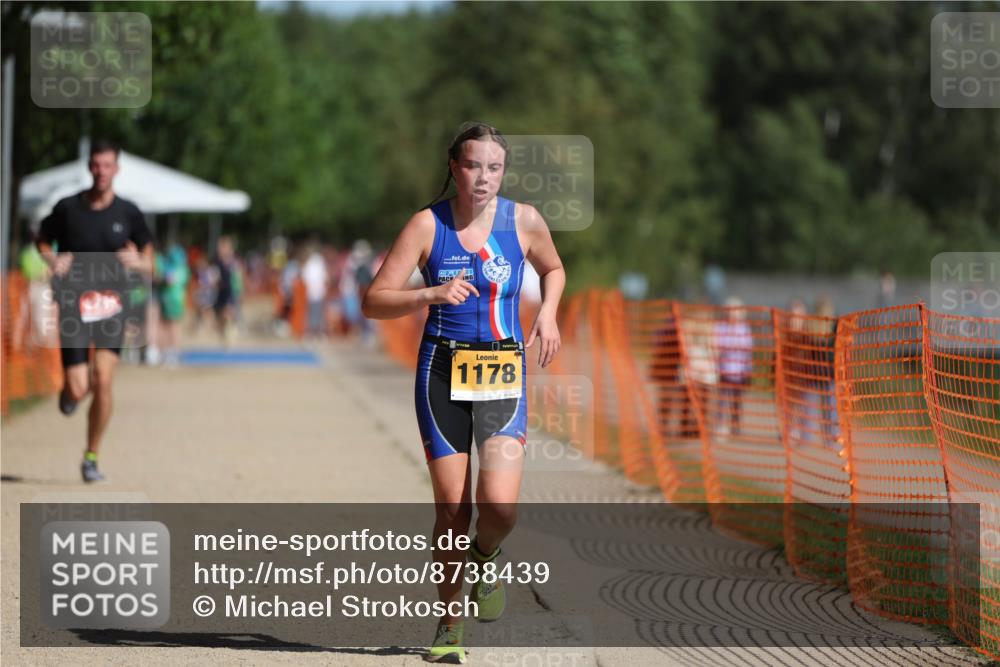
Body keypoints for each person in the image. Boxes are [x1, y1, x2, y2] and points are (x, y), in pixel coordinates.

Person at [362, 122, 565, 663]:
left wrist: (547, 311)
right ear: (454, 166)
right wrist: (430, 291)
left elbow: (554, 267)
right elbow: (374, 300)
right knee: (452, 509)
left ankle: (487, 553)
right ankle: (450, 625)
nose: (483, 177)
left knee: (498, 506)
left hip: (502, 373)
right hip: (441, 374)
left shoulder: (524, 220)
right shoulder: (426, 226)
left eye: (494, 167)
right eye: (473, 165)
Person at [35, 140, 154, 483]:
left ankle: (91, 455)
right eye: (96, 165)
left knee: (103, 379)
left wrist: (140, 262)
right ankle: (70, 393)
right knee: (79, 386)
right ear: (90, 168)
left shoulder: (129, 213)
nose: (101, 171)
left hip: (111, 307)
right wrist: (52, 259)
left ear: (116, 169)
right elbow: (42, 240)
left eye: (107, 165)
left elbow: (151, 261)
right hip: (73, 305)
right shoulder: (68, 208)